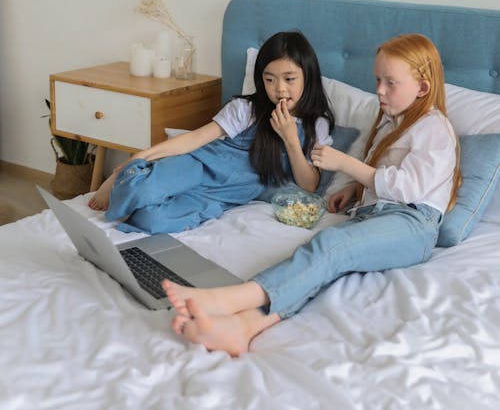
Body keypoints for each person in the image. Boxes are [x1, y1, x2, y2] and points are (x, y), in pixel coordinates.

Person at [162, 33, 461, 356]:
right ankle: (244, 327)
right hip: (379, 215)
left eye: (390, 83)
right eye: (377, 80)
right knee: (317, 260)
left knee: (330, 246)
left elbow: (410, 189)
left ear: (423, 87)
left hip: (413, 224)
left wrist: (347, 165)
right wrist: (352, 188)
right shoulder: (389, 123)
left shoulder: (433, 127)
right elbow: (385, 178)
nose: (379, 91)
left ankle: (224, 299)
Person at [88, 31, 335, 234]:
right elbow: (196, 138)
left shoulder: (317, 125)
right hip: (201, 165)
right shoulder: (247, 109)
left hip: (226, 194)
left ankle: (136, 187)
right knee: (143, 191)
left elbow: (310, 185)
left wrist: (290, 139)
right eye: (270, 80)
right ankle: (126, 173)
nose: (279, 89)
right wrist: (141, 155)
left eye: (289, 79)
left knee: (151, 223)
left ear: (308, 77)